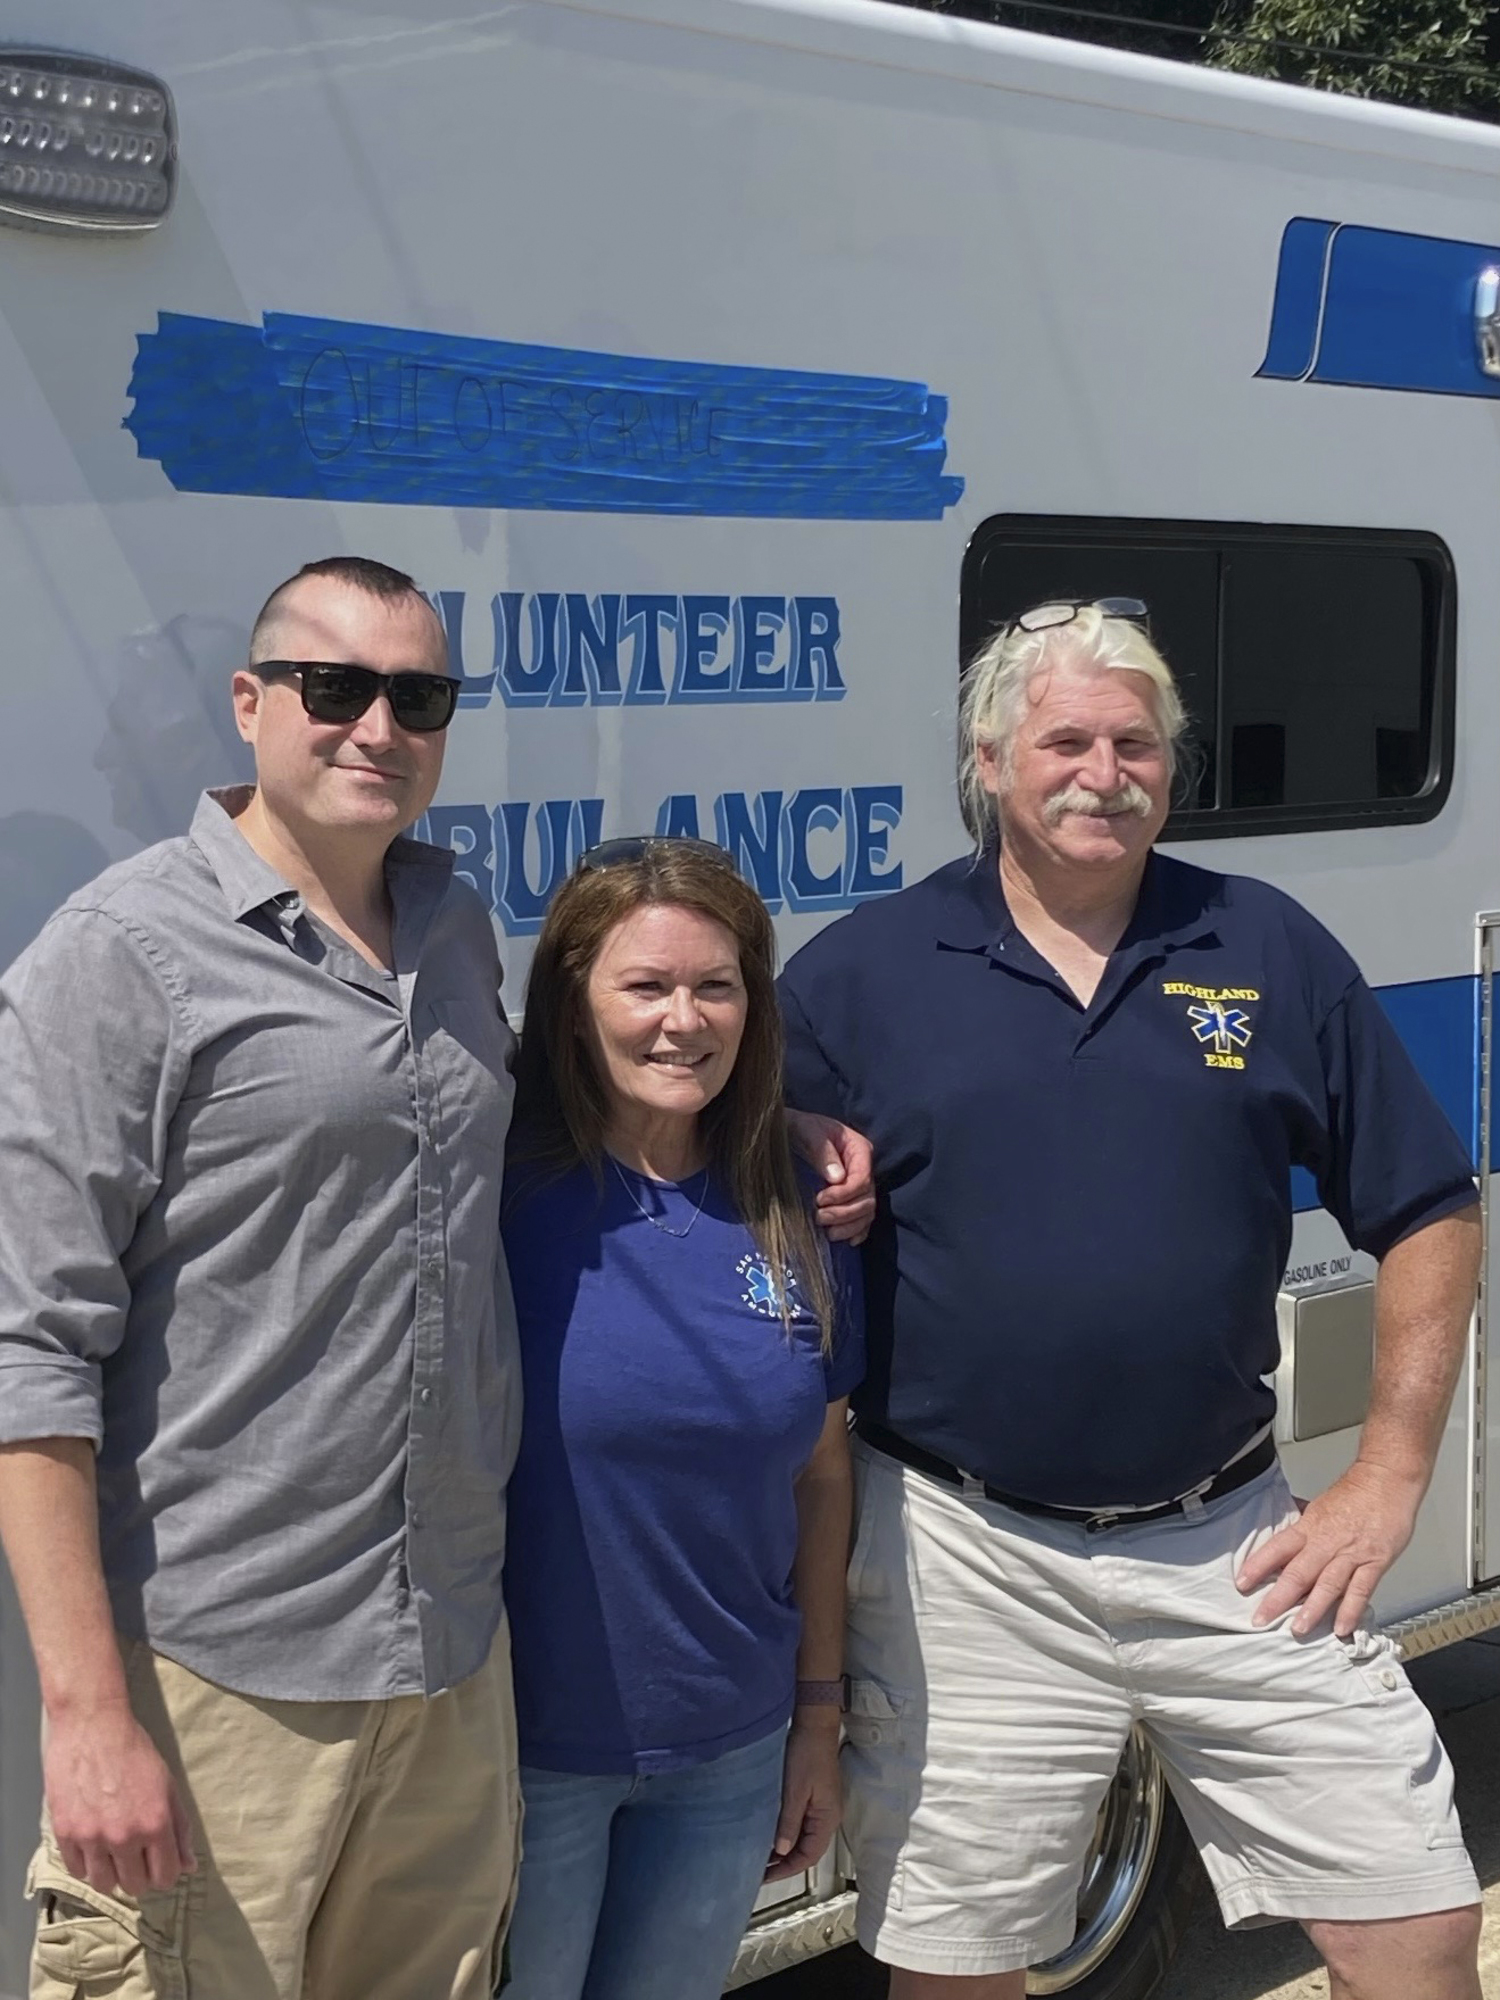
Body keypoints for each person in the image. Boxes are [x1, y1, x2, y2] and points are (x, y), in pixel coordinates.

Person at [778, 600, 1484, 2000]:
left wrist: (1394, 1473)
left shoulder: (1267, 947)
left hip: (1232, 1538)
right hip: (962, 1557)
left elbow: (1429, 1210)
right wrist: (785, 1154)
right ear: (989, 760)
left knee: (1416, 1926)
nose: (1104, 772)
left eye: (1137, 743)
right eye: (1065, 741)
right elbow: (740, 1202)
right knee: (960, 1966)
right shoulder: (860, 976)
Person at [0, 556, 521, 2000]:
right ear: (250, 704)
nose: (377, 728)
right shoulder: (119, 954)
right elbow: (28, 1350)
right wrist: (89, 1715)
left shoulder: (455, 930)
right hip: (220, 1675)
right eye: (334, 687)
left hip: (447, 1655)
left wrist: (777, 1129)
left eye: (417, 698)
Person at [499, 836, 865, 2000]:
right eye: (645, 985)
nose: (684, 1020)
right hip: (522, 1751)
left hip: (731, 1746)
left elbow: (820, 1469)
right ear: (572, 1001)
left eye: (717, 985)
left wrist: (817, 1712)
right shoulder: (496, 1183)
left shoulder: (800, 1200)